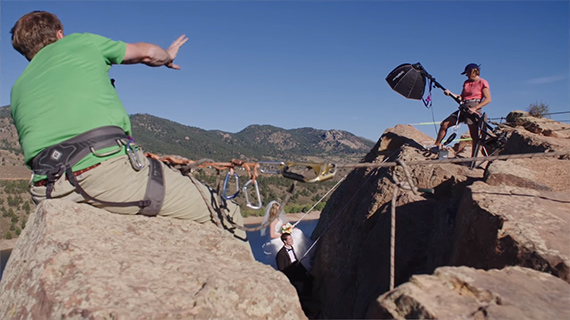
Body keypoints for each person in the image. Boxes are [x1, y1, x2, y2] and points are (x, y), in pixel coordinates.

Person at [9, 11, 249, 250]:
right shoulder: (80, 42)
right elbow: (148, 53)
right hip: (104, 174)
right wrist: (167, 56)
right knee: (227, 211)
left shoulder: (17, 89)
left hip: (46, 190)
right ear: (60, 34)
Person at [432, 63, 492, 157]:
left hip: (474, 107)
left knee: (474, 136)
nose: (466, 75)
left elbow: (488, 99)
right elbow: (461, 97)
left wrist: (475, 108)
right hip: (463, 108)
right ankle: (436, 146)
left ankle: (473, 158)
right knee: (444, 124)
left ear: (473, 71)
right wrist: (450, 93)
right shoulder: (466, 83)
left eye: (467, 73)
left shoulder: (482, 82)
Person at [261, 201, 314, 270]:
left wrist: (290, 228)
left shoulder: (279, 218)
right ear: (274, 211)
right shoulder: (273, 220)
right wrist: (282, 234)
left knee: (298, 232)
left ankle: (301, 261)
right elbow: (272, 235)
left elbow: (284, 225)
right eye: (278, 209)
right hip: (277, 238)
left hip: (282, 234)